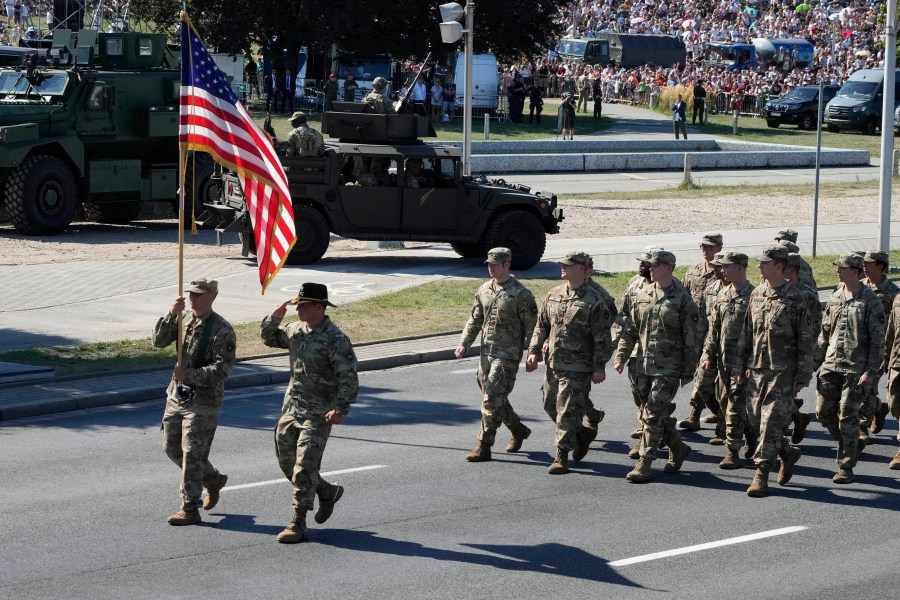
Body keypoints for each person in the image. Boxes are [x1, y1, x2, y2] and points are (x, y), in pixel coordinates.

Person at [260, 283, 359, 544]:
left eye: (303, 305)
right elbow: (270, 338)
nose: (299, 309)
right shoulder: (295, 330)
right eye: (298, 305)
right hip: (291, 409)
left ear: (319, 307)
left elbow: (348, 377)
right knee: (287, 464)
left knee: (304, 469)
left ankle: (297, 522)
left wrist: (341, 409)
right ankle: (326, 491)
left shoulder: (335, 338)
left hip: (318, 414)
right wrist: (275, 318)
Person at [152, 278, 236, 526]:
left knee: (192, 453)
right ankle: (212, 479)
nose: (193, 298)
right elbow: (158, 342)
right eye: (191, 294)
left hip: (204, 400)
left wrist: (188, 375)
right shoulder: (184, 318)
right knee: (171, 447)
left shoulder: (222, 330)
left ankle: (189, 507)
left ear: (213, 296)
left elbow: (221, 371)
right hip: (177, 395)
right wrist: (171, 314)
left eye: (199, 294)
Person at [614, 250, 700, 483]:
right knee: (650, 412)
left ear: (669, 267)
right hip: (641, 364)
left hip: (668, 368)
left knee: (652, 414)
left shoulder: (682, 299)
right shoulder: (642, 293)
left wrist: (688, 370)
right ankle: (677, 446)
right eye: (649, 265)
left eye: (655, 265)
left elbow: (691, 338)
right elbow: (631, 328)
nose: (649, 268)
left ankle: (645, 462)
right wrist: (621, 356)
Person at [735, 245, 813, 498]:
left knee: (769, 424)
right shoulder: (757, 294)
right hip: (757, 369)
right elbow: (747, 334)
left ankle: (761, 474)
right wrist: (740, 366)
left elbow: (805, 338)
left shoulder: (795, 297)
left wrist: (802, 375)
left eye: (765, 263)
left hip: (783, 371)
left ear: (779, 267)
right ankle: (787, 453)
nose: (759, 266)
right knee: (756, 421)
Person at [526, 251, 614, 474]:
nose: (562, 267)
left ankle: (561, 456)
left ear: (582, 270)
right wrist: (534, 351)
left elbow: (602, 338)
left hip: (579, 367)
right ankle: (582, 434)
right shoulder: (554, 294)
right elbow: (542, 325)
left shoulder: (594, 300)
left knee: (566, 411)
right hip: (554, 363)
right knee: (549, 404)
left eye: (568, 264)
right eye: (562, 264)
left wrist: (599, 367)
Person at [456, 247, 538, 462]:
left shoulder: (521, 294)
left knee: (492, 398)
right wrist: (464, 343)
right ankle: (517, 428)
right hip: (486, 353)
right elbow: (475, 319)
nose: (490, 268)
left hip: (507, 355)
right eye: (489, 264)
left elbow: (533, 327)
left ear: (506, 265)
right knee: (493, 396)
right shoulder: (484, 290)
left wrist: (533, 352)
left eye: (495, 264)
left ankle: (484, 445)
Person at [813, 254, 884, 484]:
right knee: (823, 412)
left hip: (856, 368)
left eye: (842, 268)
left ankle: (846, 466)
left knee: (847, 415)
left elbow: (877, 341)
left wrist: (870, 372)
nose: (837, 272)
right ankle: (851, 440)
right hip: (832, 364)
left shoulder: (870, 300)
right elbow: (824, 335)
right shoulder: (835, 297)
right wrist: (811, 365)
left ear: (855, 271)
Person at [700, 252, 754, 469]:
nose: (722, 270)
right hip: (723, 362)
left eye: (727, 267)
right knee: (725, 403)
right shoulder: (723, 294)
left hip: (744, 363)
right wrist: (707, 355)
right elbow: (714, 330)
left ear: (740, 268)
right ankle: (750, 434)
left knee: (734, 406)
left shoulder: (755, 296)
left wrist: (750, 364)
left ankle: (732, 452)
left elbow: (758, 334)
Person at [613, 246, 661, 457]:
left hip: (659, 354)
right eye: (641, 260)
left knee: (653, 399)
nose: (641, 264)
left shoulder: (669, 288)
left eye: (646, 261)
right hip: (635, 350)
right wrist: (619, 342)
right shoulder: (634, 283)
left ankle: (647, 437)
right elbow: (623, 314)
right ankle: (649, 425)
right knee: (639, 394)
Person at [679, 233, 724, 430]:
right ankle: (712, 412)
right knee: (700, 375)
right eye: (703, 246)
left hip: (714, 335)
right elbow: (683, 296)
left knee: (706, 377)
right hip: (694, 334)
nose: (705, 249)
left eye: (710, 247)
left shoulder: (724, 271)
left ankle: (703, 413)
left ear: (719, 248)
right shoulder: (693, 271)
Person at [860, 250, 898, 440]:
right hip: (857, 347)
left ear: (880, 267)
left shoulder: (893, 293)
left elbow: (893, 328)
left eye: (868, 264)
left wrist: (887, 354)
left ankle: (862, 426)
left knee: (868, 387)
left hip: (878, 349)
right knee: (858, 387)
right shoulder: (859, 287)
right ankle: (878, 408)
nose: (864, 267)